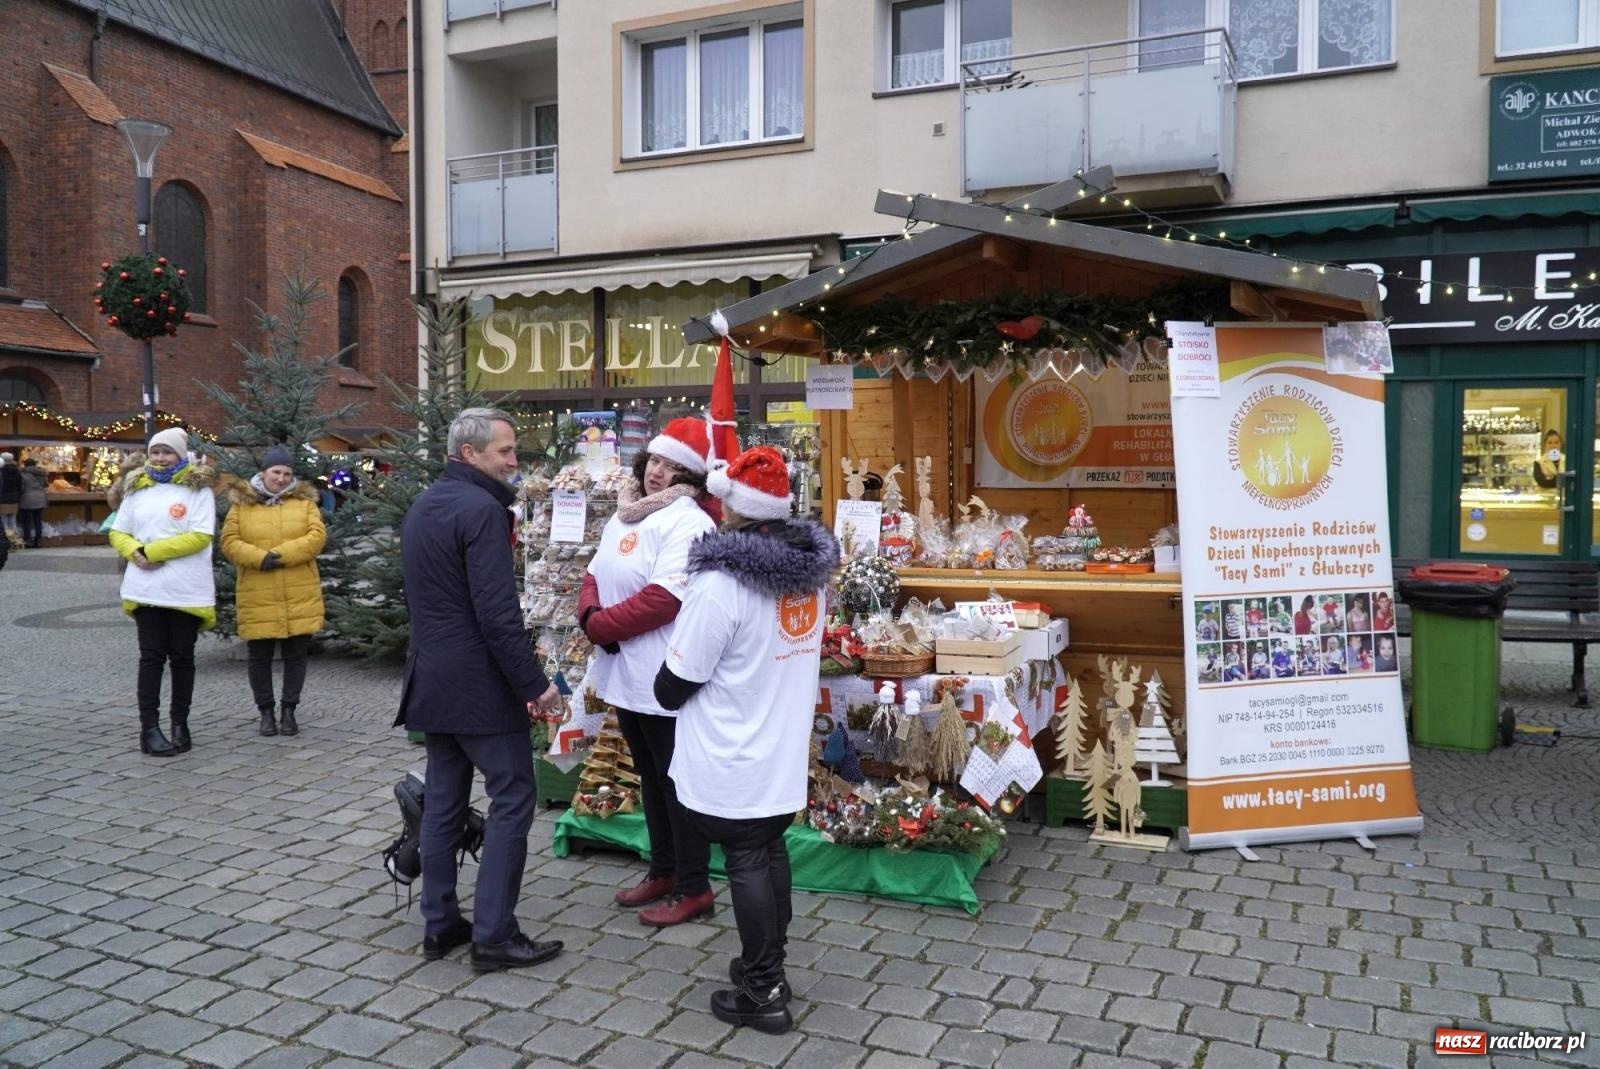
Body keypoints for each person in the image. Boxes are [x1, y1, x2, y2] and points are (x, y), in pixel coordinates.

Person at [654, 446, 839, 1035]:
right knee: (768, 850)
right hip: (779, 750)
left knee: (746, 857)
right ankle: (769, 966)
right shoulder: (808, 579)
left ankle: (763, 989)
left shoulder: (720, 583)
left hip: (732, 752)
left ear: (731, 508)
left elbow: (675, 683)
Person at [394, 407, 564, 972]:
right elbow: (497, 615)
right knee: (514, 795)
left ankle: (440, 925)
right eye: (505, 452)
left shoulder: (427, 503)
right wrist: (536, 686)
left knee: (443, 801)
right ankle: (494, 934)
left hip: (432, 679)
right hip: (477, 687)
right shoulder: (482, 510)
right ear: (470, 455)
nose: (515, 461)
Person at [578, 419, 719, 926]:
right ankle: (662, 869)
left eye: (673, 466)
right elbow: (593, 573)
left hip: (662, 676)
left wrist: (600, 627)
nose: (659, 472)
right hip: (622, 674)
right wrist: (592, 616)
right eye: (656, 461)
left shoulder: (689, 521)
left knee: (674, 783)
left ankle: (693, 885)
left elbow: (665, 598)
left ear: (692, 476)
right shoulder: (624, 513)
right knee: (649, 778)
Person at [106, 429, 217, 757]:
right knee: (151, 658)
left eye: (167, 452)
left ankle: (180, 722)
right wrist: (134, 551)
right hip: (146, 588)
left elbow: (199, 535)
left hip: (184, 588)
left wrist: (151, 551)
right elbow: (118, 530)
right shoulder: (136, 488)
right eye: (155, 452)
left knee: (182, 657)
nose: (160, 458)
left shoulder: (197, 489)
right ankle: (149, 729)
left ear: (180, 455)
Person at [220, 444, 327, 738]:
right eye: (276, 472)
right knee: (260, 655)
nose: (280, 478)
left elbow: (316, 537)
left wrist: (279, 555)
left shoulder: (305, 504)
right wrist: (259, 559)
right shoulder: (241, 505)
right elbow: (229, 541)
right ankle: (265, 712)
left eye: (286, 473)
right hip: (258, 590)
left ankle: (289, 710)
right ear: (264, 473)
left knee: (296, 655)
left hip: (298, 591)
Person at [18, 458, 47, 548]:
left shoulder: (22, 474)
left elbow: (21, 488)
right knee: (37, 520)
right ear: (35, 464)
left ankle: (28, 541)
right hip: (40, 498)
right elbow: (46, 484)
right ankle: (38, 541)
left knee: (27, 521)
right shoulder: (42, 473)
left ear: (25, 465)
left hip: (27, 499)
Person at [0, 452, 19, 538]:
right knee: (13, 521)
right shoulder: (17, 471)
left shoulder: (2, 471)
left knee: (4, 522)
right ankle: (15, 540)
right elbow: (20, 486)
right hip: (14, 499)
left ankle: (6, 541)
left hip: (3, 499)